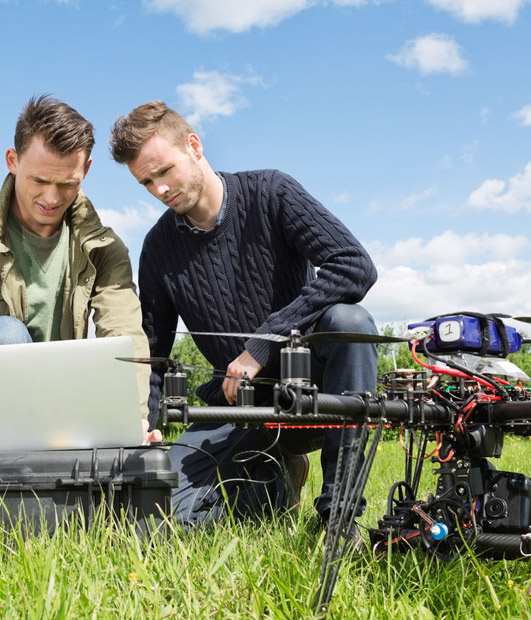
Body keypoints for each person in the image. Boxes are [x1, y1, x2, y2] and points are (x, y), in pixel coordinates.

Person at [108, 101, 378, 527]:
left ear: (194, 145)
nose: (159, 189)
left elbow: (355, 266)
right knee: (155, 516)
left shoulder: (271, 192)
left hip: (311, 395)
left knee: (351, 323)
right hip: (238, 409)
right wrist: (140, 422)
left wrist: (262, 344)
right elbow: (154, 353)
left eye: (164, 171)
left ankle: (339, 515)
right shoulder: (158, 247)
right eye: (146, 182)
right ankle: (273, 480)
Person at [0, 95, 156, 441]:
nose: (52, 198)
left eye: (67, 184)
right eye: (39, 181)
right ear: (13, 161)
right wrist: (9, 419)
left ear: (85, 170)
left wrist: (131, 421)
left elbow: (126, 339)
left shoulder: (104, 248)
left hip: (55, 406)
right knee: (5, 337)